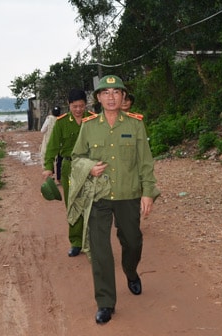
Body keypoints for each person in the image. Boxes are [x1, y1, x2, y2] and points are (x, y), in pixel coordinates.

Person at [70, 75, 158, 324]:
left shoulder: (135, 125)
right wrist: (89, 167)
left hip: (128, 194)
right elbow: (76, 157)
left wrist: (148, 192)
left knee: (132, 241)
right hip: (98, 196)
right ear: (98, 98)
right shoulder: (88, 126)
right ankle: (106, 302)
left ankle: (131, 271)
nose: (111, 97)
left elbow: (145, 162)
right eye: (105, 93)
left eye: (116, 92)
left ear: (123, 97)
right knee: (100, 250)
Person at [42, 89, 95, 257]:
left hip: (90, 167)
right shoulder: (62, 122)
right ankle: (76, 242)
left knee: (91, 204)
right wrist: (48, 166)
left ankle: (92, 241)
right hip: (69, 168)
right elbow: (52, 146)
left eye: (81, 106)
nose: (78, 110)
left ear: (85, 105)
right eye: (74, 106)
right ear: (69, 105)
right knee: (72, 205)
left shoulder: (94, 119)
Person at [40, 106, 62, 181]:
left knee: (49, 157)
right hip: (59, 143)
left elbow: (42, 130)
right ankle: (59, 178)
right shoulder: (61, 120)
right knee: (59, 160)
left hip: (48, 142)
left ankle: (51, 176)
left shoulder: (49, 119)